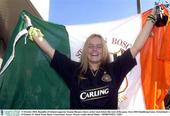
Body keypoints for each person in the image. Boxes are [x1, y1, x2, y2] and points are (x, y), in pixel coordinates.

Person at [24, 7, 158, 109]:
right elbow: (49, 50)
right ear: (85, 50)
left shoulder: (114, 69)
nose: (94, 49)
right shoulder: (73, 69)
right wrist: (30, 28)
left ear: (104, 50)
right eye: (91, 46)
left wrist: (152, 18)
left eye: (99, 46)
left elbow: (136, 47)